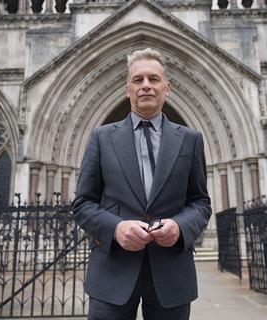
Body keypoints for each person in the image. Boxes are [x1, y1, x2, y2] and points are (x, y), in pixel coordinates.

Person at [72, 48, 211, 320]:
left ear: (166, 87)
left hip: (171, 275)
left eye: (153, 79)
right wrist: (116, 228)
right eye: (138, 80)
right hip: (112, 273)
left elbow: (201, 203)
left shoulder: (190, 139)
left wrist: (179, 227)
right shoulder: (101, 137)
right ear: (127, 89)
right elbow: (82, 204)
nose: (146, 85)